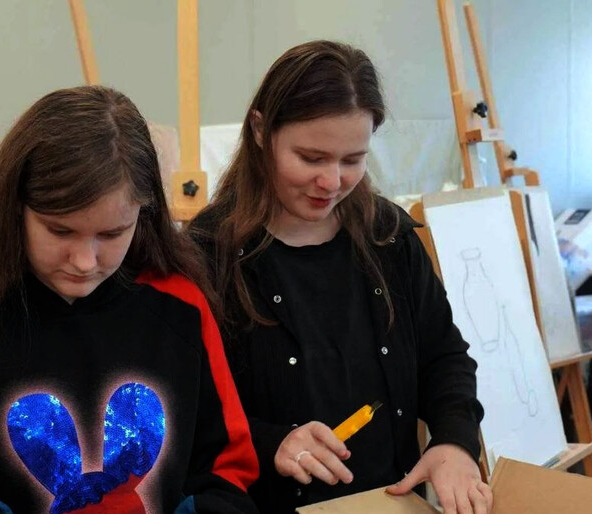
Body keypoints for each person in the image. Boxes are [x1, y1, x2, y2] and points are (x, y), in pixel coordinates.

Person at [0, 86, 259, 514]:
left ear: (144, 216)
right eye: (60, 231)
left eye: (112, 233)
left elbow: (228, 470)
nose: (84, 261)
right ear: (15, 208)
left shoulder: (180, 307)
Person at [188, 41, 491, 514]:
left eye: (352, 160)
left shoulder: (389, 237)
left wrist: (454, 441)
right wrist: (271, 442)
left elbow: (443, 357)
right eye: (311, 158)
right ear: (261, 131)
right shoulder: (208, 256)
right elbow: (189, 409)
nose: (332, 182)